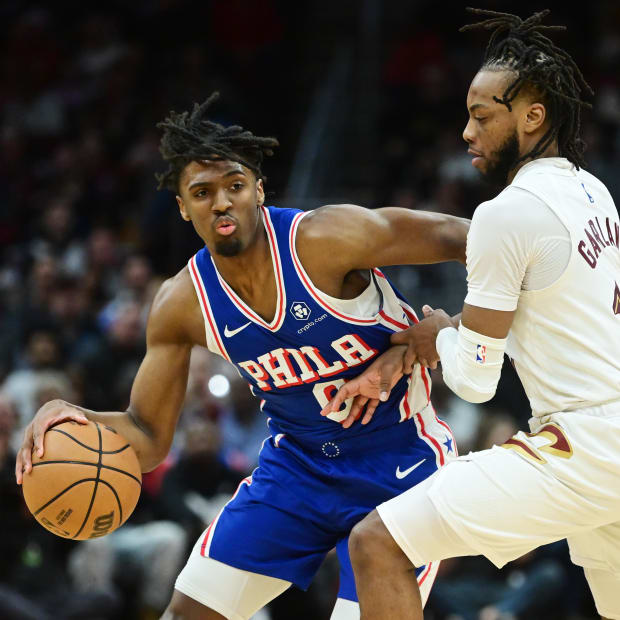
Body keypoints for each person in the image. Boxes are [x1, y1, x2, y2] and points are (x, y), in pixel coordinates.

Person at [16, 92, 469, 620]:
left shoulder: (327, 239)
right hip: (296, 469)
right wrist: (74, 416)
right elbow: (147, 438)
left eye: (234, 185)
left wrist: (446, 328)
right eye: (202, 192)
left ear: (258, 189)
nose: (222, 202)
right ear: (183, 207)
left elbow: (483, 242)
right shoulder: (182, 302)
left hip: (399, 458)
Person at [326, 8, 620, 620]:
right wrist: (447, 331)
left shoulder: (504, 215)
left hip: (584, 448)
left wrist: (438, 338)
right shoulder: (595, 192)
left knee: (377, 544)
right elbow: (547, 318)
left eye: (482, 116)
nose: (466, 132)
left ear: (532, 117)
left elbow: (477, 384)